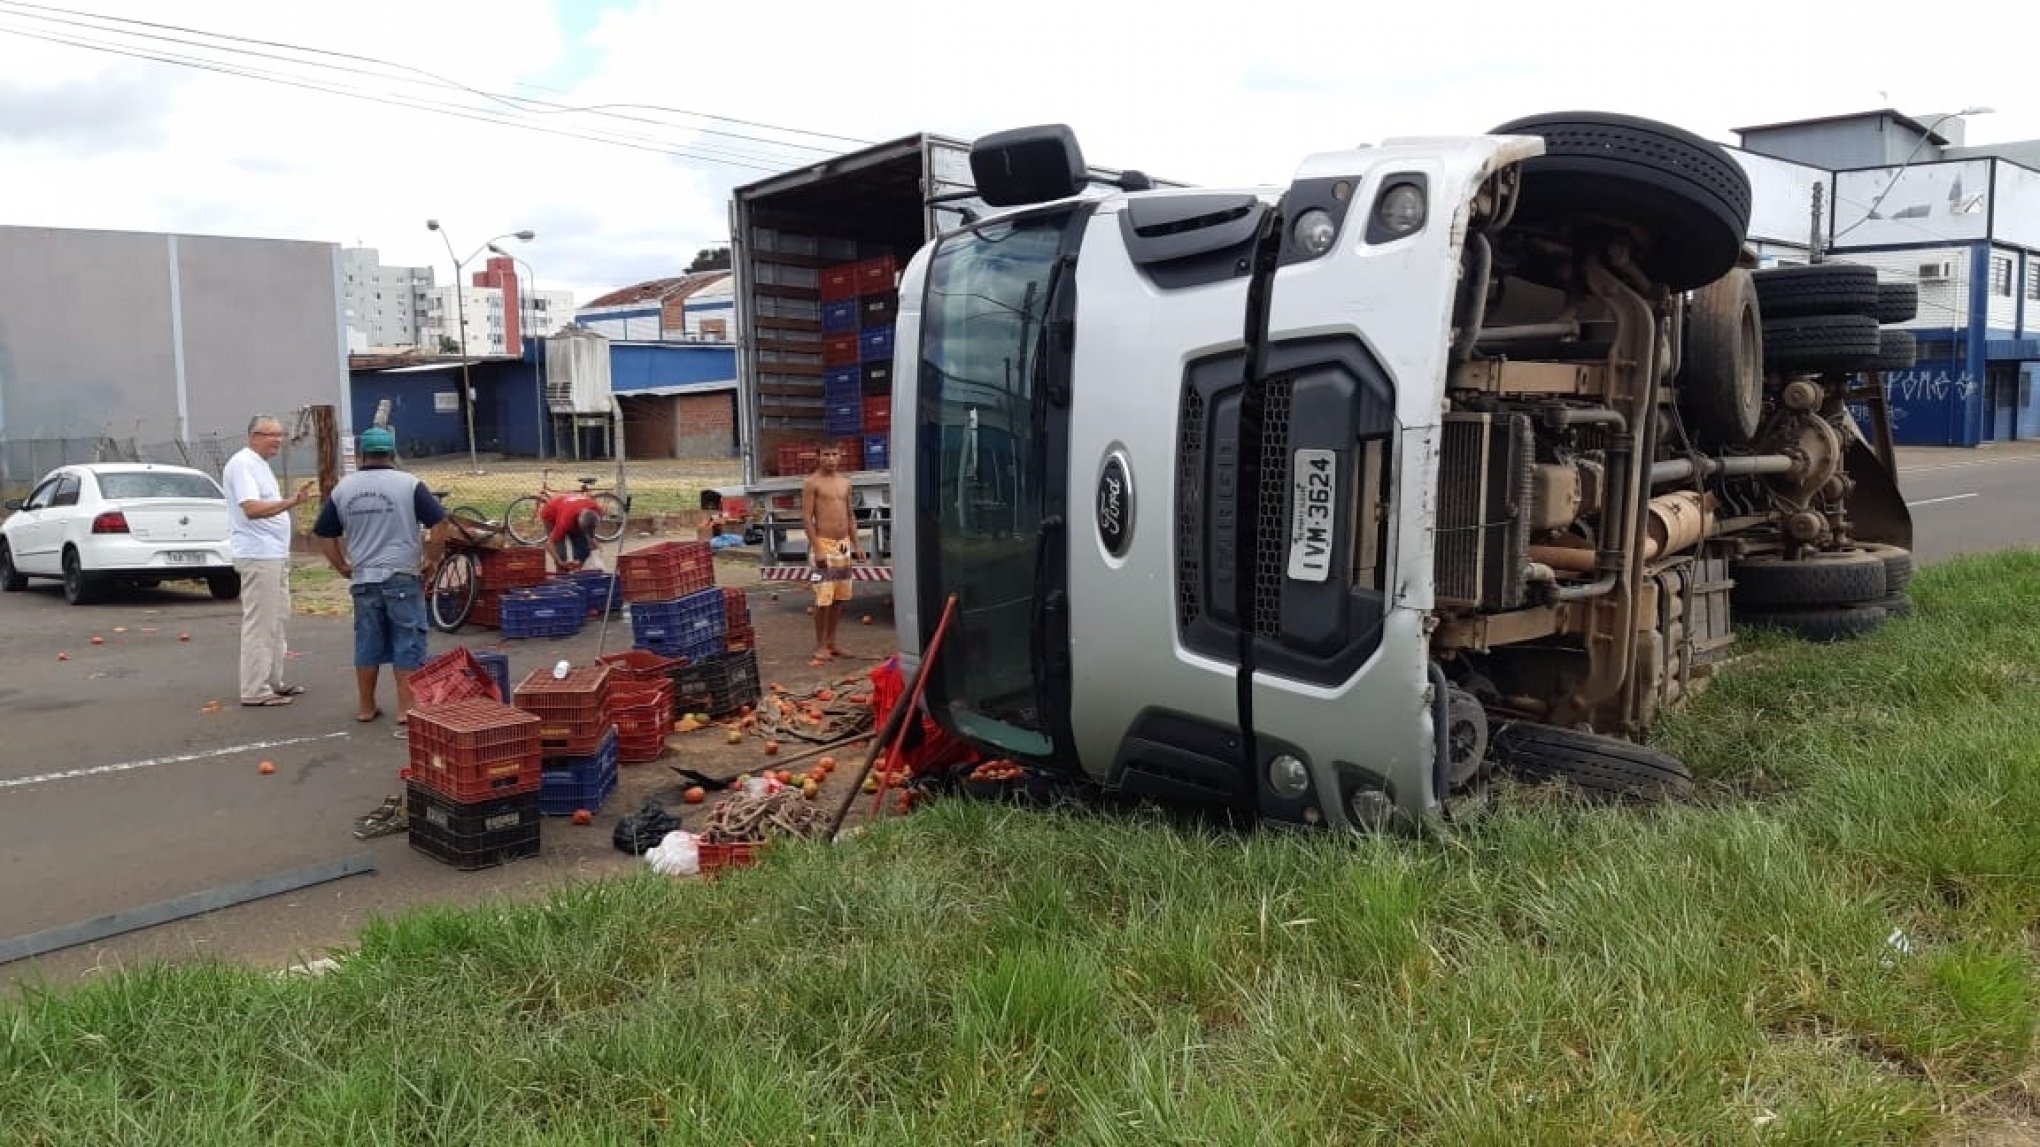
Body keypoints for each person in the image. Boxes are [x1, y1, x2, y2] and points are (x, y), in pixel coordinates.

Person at [311, 427, 446, 734]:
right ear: (392, 454)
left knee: (368, 641)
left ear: (361, 455)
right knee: (407, 639)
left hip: (364, 578)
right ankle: (406, 708)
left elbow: (324, 534)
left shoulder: (344, 489)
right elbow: (439, 523)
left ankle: (366, 706)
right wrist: (432, 560)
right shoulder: (409, 484)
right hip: (401, 575)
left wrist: (342, 566)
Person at [220, 414, 317, 707]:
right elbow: (251, 508)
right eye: (270, 434)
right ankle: (254, 689)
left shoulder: (258, 465)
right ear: (253, 436)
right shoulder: (243, 464)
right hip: (258, 554)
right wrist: (292, 502)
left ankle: (272, 680)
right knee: (260, 623)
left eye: (280, 434)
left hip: (273, 553)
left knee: (277, 619)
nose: (277, 440)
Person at [801, 444, 865, 667]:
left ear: (841, 456)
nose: (831, 459)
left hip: (843, 547)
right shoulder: (812, 483)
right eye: (826, 455)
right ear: (818, 457)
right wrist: (817, 547)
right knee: (823, 598)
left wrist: (857, 544)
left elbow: (850, 515)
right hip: (824, 546)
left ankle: (832, 642)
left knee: (839, 598)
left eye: (835, 454)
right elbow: (807, 518)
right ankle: (820, 645)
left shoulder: (845, 482)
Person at [538, 478, 602, 572]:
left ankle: (578, 572)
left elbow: (591, 533)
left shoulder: (596, 509)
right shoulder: (564, 522)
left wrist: (593, 543)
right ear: (577, 523)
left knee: (583, 551)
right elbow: (549, 544)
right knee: (561, 554)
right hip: (551, 514)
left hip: (568, 508)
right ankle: (562, 576)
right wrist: (560, 562)